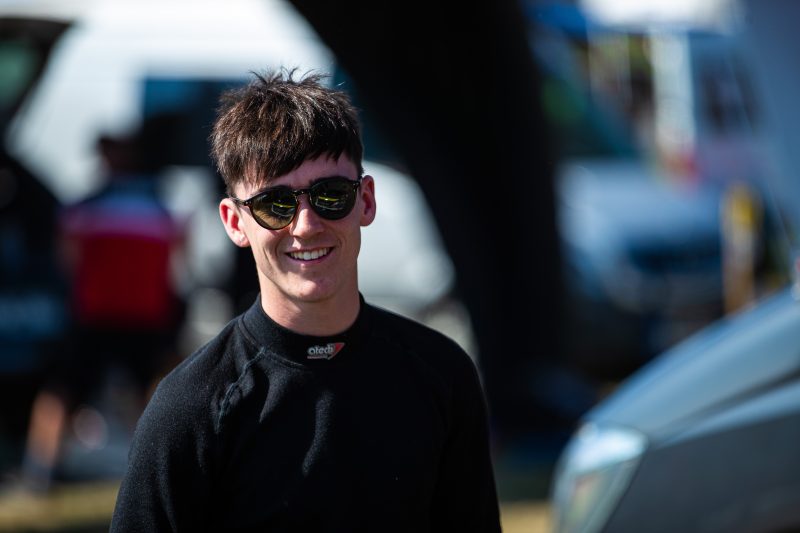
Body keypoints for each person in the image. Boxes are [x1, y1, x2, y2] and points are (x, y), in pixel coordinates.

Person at [110, 69, 501, 532]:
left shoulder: (443, 376)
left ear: (366, 201)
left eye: (330, 195)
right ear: (235, 223)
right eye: (275, 204)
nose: (305, 225)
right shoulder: (190, 408)